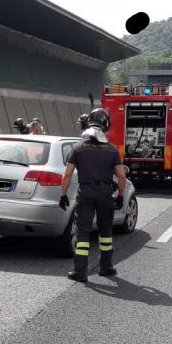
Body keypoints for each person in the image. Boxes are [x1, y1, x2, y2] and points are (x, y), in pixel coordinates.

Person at [59, 108, 127, 283]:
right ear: (105, 125)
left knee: (83, 232)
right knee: (106, 231)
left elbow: (67, 174)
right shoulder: (112, 150)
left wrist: (63, 194)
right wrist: (120, 195)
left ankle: (80, 272)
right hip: (105, 194)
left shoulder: (78, 148)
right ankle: (106, 267)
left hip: (86, 193)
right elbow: (121, 176)